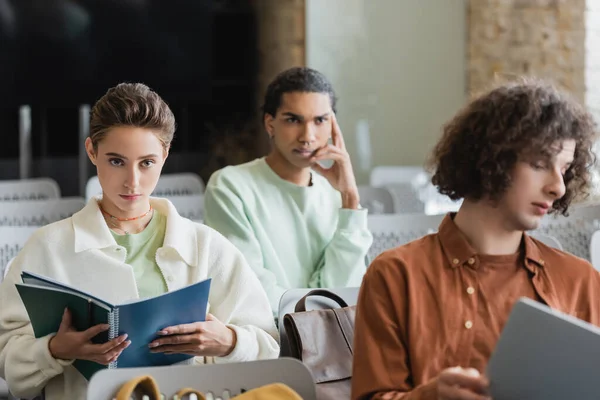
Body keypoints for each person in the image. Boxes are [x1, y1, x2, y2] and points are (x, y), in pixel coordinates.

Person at [0, 83, 279, 400]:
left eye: (146, 163)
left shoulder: (207, 247)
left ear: (165, 155)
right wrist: (54, 350)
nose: (132, 181)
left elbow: (270, 347)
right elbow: (9, 365)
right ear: (92, 151)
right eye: (116, 161)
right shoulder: (47, 247)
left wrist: (228, 342)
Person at [351, 79, 600, 400]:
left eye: (564, 169)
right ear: (490, 160)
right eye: (539, 164)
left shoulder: (581, 282)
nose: (558, 187)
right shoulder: (396, 275)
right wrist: (429, 397)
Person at [204, 67, 373, 312]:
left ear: (333, 126)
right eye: (293, 120)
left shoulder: (336, 195)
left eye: (320, 120)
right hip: (270, 340)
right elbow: (252, 293)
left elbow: (344, 292)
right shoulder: (230, 186)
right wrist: (315, 314)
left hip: (331, 337)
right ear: (270, 124)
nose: (307, 136)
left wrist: (350, 199)